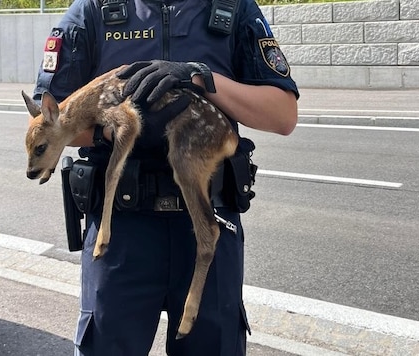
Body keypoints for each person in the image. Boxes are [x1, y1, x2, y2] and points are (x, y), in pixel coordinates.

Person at [31, 0, 299, 355]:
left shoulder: (233, 9)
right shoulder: (93, 10)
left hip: (208, 224)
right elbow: (46, 123)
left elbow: (283, 115)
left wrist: (201, 77)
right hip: (123, 237)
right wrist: (111, 133)